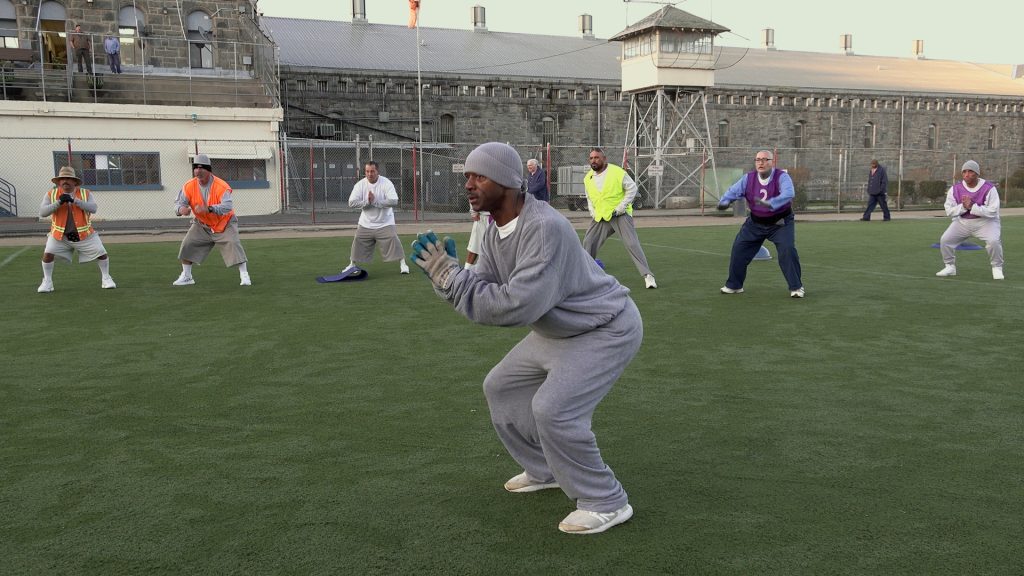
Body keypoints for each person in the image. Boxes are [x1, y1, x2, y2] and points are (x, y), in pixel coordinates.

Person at [409, 142, 641, 535]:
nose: (469, 184)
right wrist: (446, 277)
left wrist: (451, 280)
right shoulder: (492, 227)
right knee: (501, 386)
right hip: (559, 328)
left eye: (479, 176)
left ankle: (607, 500)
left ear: (509, 182)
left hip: (605, 328)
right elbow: (481, 283)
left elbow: (517, 306)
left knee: (554, 410)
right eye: (467, 176)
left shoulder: (544, 228)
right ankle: (545, 469)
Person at [717, 150, 805, 298]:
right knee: (738, 250)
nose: (761, 162)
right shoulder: (748, 179)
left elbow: (789, 194)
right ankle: (734, 285)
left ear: (772, 162)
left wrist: (771, 203)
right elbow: (733, 191)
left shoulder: (782, 177)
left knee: (787, 250)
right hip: (755, 223)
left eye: (765, 159)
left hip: (780, 223)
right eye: (758, 160)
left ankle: (796, 287)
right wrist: (724, 201)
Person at [581, 147, 657, 289]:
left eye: (597, 157)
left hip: (620, 215)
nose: (593, 160)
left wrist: (621, 207)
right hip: (600, 216)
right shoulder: (588, 177)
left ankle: (648, 276)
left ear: (604, 159)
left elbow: (632, 189)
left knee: (632, 244)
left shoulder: (617, 172)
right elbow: (589, 196)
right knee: (588, 242)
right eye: (591, 158)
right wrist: (592, 210)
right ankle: (584, 276)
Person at [171, 153, 251, 286]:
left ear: (209, 170)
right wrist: (181, 210)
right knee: (188, 244)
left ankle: (244, 276)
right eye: (196, 168)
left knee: (233, 243)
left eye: (202, 168)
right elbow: (178, 204)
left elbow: (227, 206)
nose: (198, 171)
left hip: (224, 223)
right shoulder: (188, 186)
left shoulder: (221, 186)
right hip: (202, 224)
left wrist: (209, 209)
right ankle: (187, 276)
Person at [37, 166, 116, 292]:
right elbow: (42, 212)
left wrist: (75, 201)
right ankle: (47, 282)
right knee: (47, 254)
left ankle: (106, 278)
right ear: (58, 182)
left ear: (75, 181)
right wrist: (59, 202)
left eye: (68, 178)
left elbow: (93, 208)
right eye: (62, 179)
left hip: (85, 234)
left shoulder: (86, 193)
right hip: (59, 236)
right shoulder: (51, 194)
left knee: (101, 253)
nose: (65, 181)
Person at [936, 160, 1003, 280]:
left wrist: (972, 206)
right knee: (945, 240)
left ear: (977, 174)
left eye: (970, 171)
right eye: (964, 171)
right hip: (962, 222)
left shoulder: (989, 188)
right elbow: (949, 210)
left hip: (985, 223)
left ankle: (997, 268)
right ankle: (950, 267)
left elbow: (993, 211)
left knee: (993, 241)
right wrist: (963, 207)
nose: (967, 174)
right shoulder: (955, 189)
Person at [344, 160, 409, 275]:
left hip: (385, 222)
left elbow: (394, 201)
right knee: (357, 240)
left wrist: (376, 201)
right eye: (367, 171)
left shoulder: (386, 183)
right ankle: (352, 265)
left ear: (377, 172)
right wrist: (367, 202)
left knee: (394, 239)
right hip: (366, 223)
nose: (369, 174)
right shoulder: (360, 185)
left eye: (372, 171)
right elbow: (351, 203)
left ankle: (403, 264)